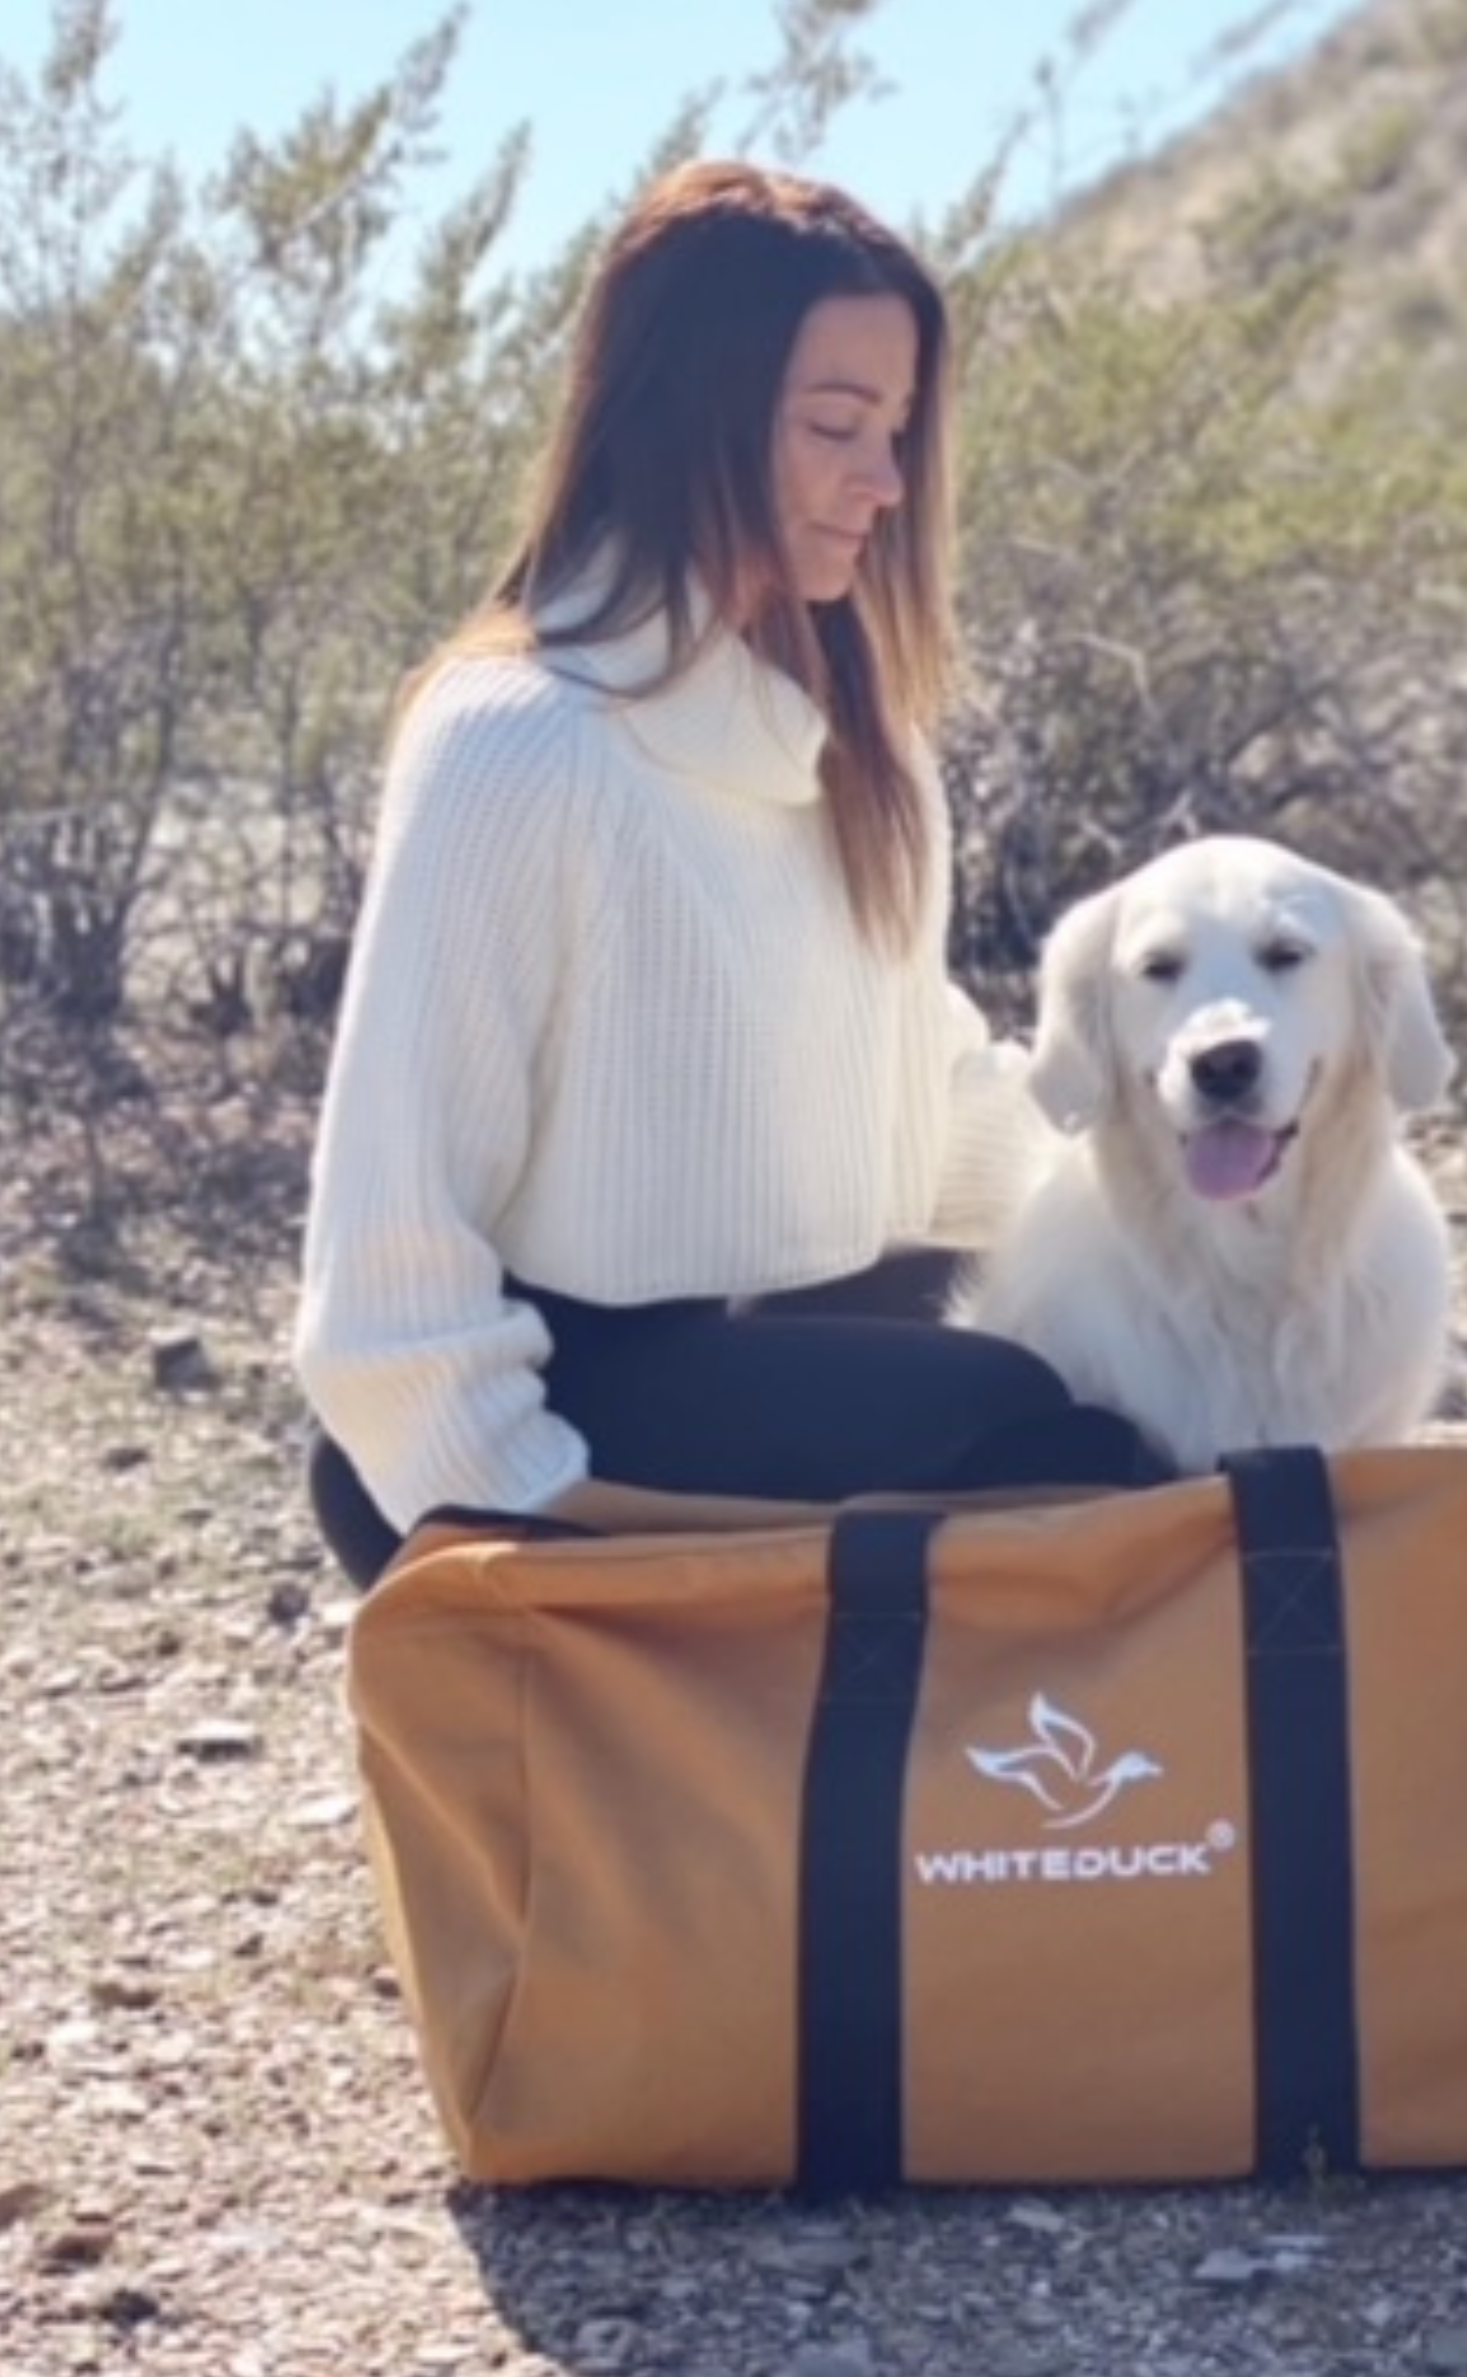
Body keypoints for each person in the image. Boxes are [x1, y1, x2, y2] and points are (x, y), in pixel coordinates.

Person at [293, 159, 1163, 1588]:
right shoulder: (522, 739)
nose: (884, 483)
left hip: (748, 1352)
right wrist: (527, 1517)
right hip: (524, 1428)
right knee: (1023, 1415)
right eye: (834, 426)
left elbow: (922, 1096)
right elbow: (392, 1244)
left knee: (1107, 1370)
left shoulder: (856, 741)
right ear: (686, 410)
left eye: (896, 431)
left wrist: (1165, 1192)